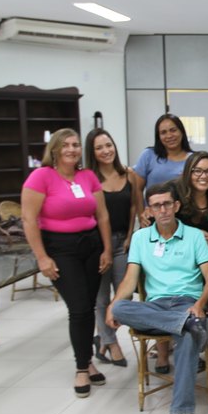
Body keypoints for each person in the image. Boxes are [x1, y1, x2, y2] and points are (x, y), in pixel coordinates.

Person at [107, 182, 208, 414]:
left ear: (176, 206)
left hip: (187, 304)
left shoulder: (193, 236)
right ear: (149, 210)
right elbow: (130, 280)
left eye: (167, 203)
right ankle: (188, 324)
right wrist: (113, 304)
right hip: (155, 307)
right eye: (157, 205)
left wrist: (200, 304)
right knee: (121, 306)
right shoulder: (141, 239)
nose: (163, 209)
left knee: (188, 339)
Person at [21, 128, 113, 397]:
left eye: (75, 145)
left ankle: (87, 360)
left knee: (89, 305)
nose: (72, 149)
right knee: (79, 307)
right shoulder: (41, 176)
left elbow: (103, 216)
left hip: (91, 246)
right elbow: (28, 219)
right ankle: (82, 368)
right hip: (60, 249)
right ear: (55, 149)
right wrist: (42, 257)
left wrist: (107, 249)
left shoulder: (87, 176)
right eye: (66, 145)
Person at [84, 128, 137, 367]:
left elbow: (135, 207)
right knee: (101, 297)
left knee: (123, 294)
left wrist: (129, 237)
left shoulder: (128, 174)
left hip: (122, 243)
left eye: (108, 145)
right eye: (99, 147)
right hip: (97, 245)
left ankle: (103, 341)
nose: (106, 151)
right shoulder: (88, 178)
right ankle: (111, 343)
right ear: (92, 153)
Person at [174, 151, 208, 281]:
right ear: (188, 172)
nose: (203, 176)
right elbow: (165, 227)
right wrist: (196, 234)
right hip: (178, 259)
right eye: (197, 171)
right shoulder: (175, 196)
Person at [132, 114, 194, 227]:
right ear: (158, 136)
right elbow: (137, 189)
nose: (169, 135)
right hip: (153, 219)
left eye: (173, 130)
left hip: (185, 220)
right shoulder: (148, 155)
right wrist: (142, 213)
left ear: (182, 132)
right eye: (163, 132)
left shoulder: (193, 159)